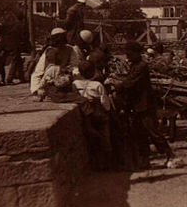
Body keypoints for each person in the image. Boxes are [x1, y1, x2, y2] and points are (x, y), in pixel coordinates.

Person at [106, 41, 179, 169]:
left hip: (145, 105)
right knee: (139, 133)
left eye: (129, 54)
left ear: (136, 53)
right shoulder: (135, 65)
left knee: (153, 131)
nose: (127, 56)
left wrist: (115, 84)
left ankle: (171, 155)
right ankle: (145, 160)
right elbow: (128, 81)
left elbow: (130, 83)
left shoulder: (141, 66)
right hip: (137, 105)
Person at [73, 60, 113, 170]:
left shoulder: (75, 84)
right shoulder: (97, 85)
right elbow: (105, 102)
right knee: (105, 137)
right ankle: (107, 163)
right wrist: (108, 110)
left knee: (90, 139)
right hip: (98, 115)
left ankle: (94, 163)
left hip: (85, 115)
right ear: (93, 72)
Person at [30, 28, 81, 100]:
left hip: (65, 76)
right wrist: (36, 90)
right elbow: (39, 72)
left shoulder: (70, 49)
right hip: (50, 78)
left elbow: (75, 66)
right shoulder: (49, 50)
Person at [1, 11, 28, 85]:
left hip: (9, 44)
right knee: (15, 61)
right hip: (15, 45)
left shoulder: (13, 24)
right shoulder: (19, 25)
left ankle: (21, 77)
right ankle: (9, 79)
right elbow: (22, 36)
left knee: (19, 61)